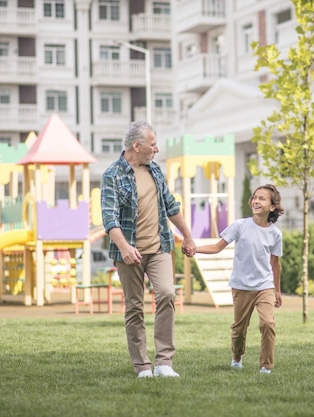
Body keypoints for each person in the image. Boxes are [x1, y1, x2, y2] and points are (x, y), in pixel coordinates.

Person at [101, 121, 196, 378]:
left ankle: (164, 362)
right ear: (136, 145)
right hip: (128, 252)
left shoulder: (154, 171)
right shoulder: (113, 175)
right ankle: (142, 366)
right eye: (152, 144)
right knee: (134, 306)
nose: (156, 149)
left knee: (166, 294)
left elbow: (171, 205)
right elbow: (110, 218)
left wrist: (187, 235)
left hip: (159, 247)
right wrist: (125, 247)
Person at [195, 184, 284, 374]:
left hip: (264, 286)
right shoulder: (240, 225)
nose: (256, 201)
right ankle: (237, 358)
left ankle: (266, 366)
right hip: (241, 286)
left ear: (272, 206)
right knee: (239, 329)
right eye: (255, 197)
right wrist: (195, 249)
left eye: (262, 199)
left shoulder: (276, 234)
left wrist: (277, 290)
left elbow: (275, 264)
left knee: (268, 323)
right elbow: (217, 247)